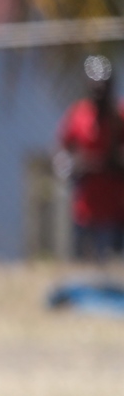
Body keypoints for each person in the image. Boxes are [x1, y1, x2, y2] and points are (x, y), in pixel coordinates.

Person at [53, 55, 124, 261]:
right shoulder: (78, 115)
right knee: (82, 267)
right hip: (85, 212)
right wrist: (74, 165)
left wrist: (112, 162)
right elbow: (60, 153)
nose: (99, 92)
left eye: (104, 87)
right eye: (95, 87)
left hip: (116, 213)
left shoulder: (119, 117)